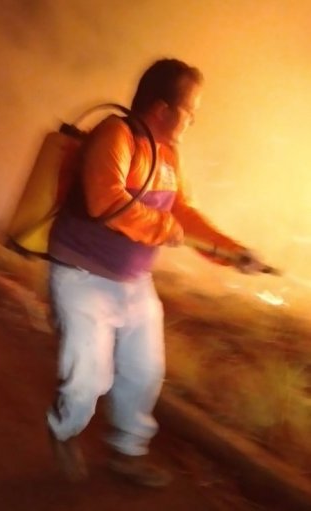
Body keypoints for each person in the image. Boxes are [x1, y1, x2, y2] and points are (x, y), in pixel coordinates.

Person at [46, 58, 267, 486]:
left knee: (145, 372)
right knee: (89, 378)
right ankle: (64, 428)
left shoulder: (167, 154)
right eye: (190, 111)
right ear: (163, 109)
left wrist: (233, 252)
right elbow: (106, 201)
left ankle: (127, 453)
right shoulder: (115, 135)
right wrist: (165, 228)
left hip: (134, 284)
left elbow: (182, 212)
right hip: (82, 278)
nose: (193, 121)